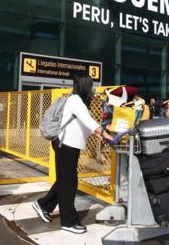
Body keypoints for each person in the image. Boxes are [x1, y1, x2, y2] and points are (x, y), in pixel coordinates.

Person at [32, 74, 113, 234]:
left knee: (65, 180)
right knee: (69, 183)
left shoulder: (78, 100)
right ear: (85, 86)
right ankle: (68, 222)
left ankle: (43, 205)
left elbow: (83, 124)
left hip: (69, 146)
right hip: (65, 145)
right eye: (91, 85)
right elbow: (88, 121)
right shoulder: (75, 100)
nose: (93, 89)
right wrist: (105, 134)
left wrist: (98, 134)